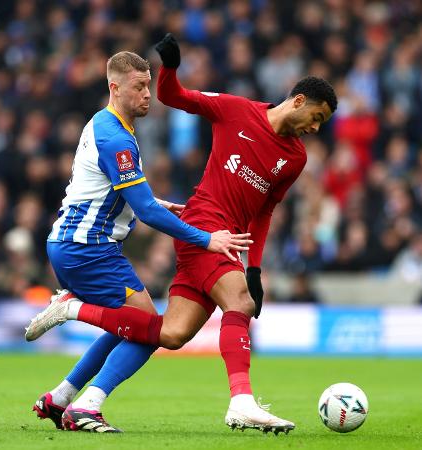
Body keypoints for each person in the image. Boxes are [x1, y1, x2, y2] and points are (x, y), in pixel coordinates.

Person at [27, 34, 337, 434]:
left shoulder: (295, 158)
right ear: (298, 101)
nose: (316, 127)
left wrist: (255, 270)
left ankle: (74, 397)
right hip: (202, 228)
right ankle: (241, 401)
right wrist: (170, 67)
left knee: (166, 333)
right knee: (237, 304)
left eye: (322, 124)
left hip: (221, 238)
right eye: (317, 117)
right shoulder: (234, 110)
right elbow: (175, 95)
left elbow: (265, 212)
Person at [26, 49, 252, 433]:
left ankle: (60, 398)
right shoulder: (117, 138)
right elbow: (145, 212)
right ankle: (86, 400)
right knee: (149, 328)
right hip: (88, 249)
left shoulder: (105, 123)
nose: (148, 94)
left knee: (129, 326)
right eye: (139, 87)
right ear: (115, 87)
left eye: (148, 85)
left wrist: (149, 202)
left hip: (73, 244)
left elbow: (106, 190)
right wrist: (206, 239)